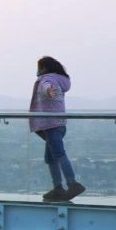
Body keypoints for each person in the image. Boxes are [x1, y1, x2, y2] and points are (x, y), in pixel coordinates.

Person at [30, 56, 84, 202]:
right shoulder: (58, 80)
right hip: (57, 124)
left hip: (51, 124)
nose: (38, 70)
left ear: (44, 68)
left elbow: (46, 87)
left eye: (39, 67)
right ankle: (57, 188)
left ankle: (72, 184)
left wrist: (49, 91)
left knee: (59, 154)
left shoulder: (47, 79)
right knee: (50, 157)